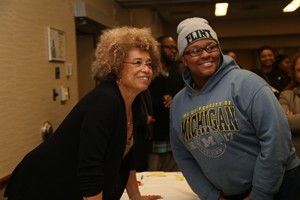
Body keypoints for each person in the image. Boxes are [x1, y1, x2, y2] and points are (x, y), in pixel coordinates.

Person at [4, 27, 162, 200]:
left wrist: (135, 197)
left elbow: (126, 154)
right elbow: (90, 167)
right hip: (40, 186)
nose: (146, 69)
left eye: (148, 64)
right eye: (137, 62)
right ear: (116, 67)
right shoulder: (106, 101)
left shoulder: (133, 99)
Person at [170, 17, 300, 200]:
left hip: (281, 187)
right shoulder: (178, 104)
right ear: (183, 58)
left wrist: (259, 194)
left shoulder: (247, 83)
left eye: (211, 47)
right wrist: (211, 195)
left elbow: (276, 141)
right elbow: (183, 156)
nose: (206, 54)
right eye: (195, 50)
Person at [148, 35, 184, 171]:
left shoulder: (178, 74)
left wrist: (175, 99)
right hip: (154, 138)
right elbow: (141, 103)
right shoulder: (149, 73)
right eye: (169, 47)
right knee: (154, 180)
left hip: (174, 137)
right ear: (158, 48)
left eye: (175, 48)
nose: (173, 50)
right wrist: (162, 100)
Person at [279, 53, 300, 157]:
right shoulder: (286, 95)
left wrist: (294, 117)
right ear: (294, 73)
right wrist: (288, 120)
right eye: (299, 70)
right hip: (295, 157)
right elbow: (283, 123)